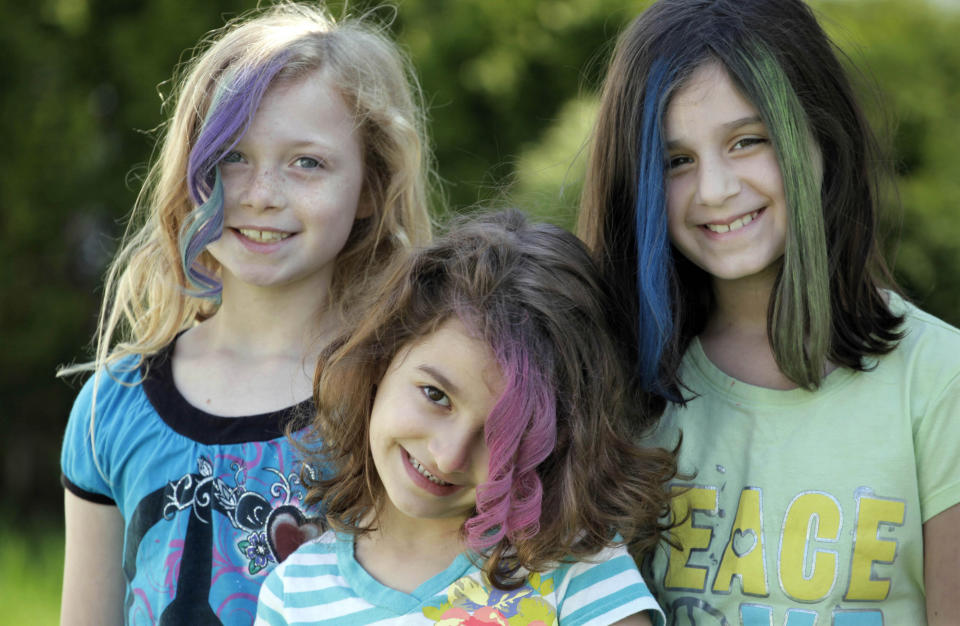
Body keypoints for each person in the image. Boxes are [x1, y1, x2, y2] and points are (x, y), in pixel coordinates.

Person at [576, 0, 960, 623]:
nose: (715, 190)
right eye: (677, 161)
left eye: (747, 141)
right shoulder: (612, 390)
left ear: (821, 134)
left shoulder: (941, 381)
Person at [59, 3, 434, 623]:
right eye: (232, 156)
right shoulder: (112, 409)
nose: (261, 194)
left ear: (371, 187)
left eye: (307, 162)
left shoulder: (407, 396)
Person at [255, 210, 676, 625]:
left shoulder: (577, 567)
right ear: (380, 359)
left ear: (558, 441)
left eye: (505, 434)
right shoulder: (294, 594)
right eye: (436, 396)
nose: (449, 456)